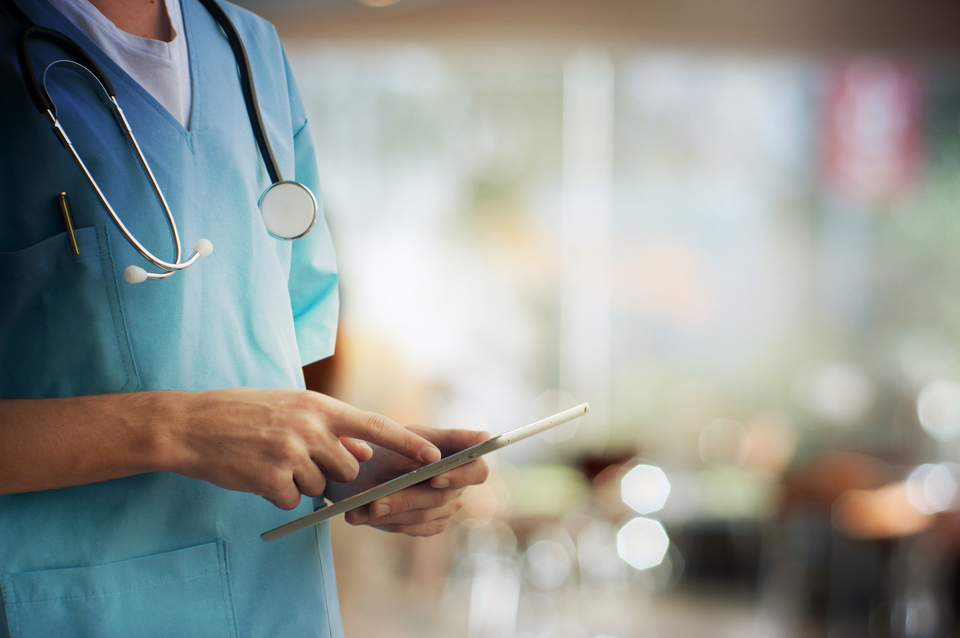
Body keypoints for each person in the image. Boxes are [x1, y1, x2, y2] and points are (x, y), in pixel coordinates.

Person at [0, 0, 489, 635]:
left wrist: (354, 464)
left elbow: (261, 366)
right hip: (77, 609)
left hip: (279, 605)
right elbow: (209, 418)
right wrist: (181, 429)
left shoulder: (249, 50)